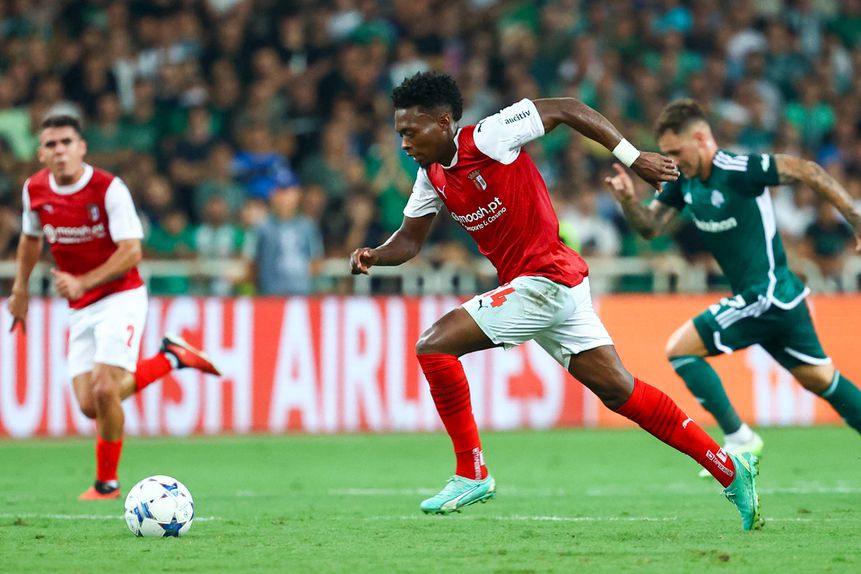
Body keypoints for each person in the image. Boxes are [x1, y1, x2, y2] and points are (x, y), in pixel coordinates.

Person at [350, 72, 762, 530]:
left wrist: (634, 158)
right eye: (400, 133)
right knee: (621, 391)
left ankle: (472, 472)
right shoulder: (431, 176)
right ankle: (729, 469)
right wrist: (375, 255)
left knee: (434, 345)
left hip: (544, 280)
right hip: (552, 285)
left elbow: (567, 107)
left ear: (444, 122)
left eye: (411, 131)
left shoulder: (488, 137)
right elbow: (410, 240)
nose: (404, 143)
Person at [604, 99, 861, 477]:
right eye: (667, 153)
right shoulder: (685, 182)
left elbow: (806, 170)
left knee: (680, 350)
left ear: (701, 138)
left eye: (677, 151)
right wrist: (628, 200)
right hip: (779, 298)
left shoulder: (739, 169)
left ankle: (740, 439)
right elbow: (650, 228)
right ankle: (741, 438)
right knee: (821, 379)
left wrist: (855, 218)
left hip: (766, 293)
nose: (673, 161)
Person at [6, 115, 222, 500]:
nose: (60, 151)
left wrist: (83, 281)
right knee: (90, 405)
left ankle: (106, 484)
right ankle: (171, 358)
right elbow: (30, 239)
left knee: (105, 388)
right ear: (41, 153)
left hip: (121, 297)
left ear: (82, 147)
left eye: (66, 142)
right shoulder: (34, 189)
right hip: (80, 306)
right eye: (51, 144)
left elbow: (132, 252)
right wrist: (20, 289)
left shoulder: (108, 189)